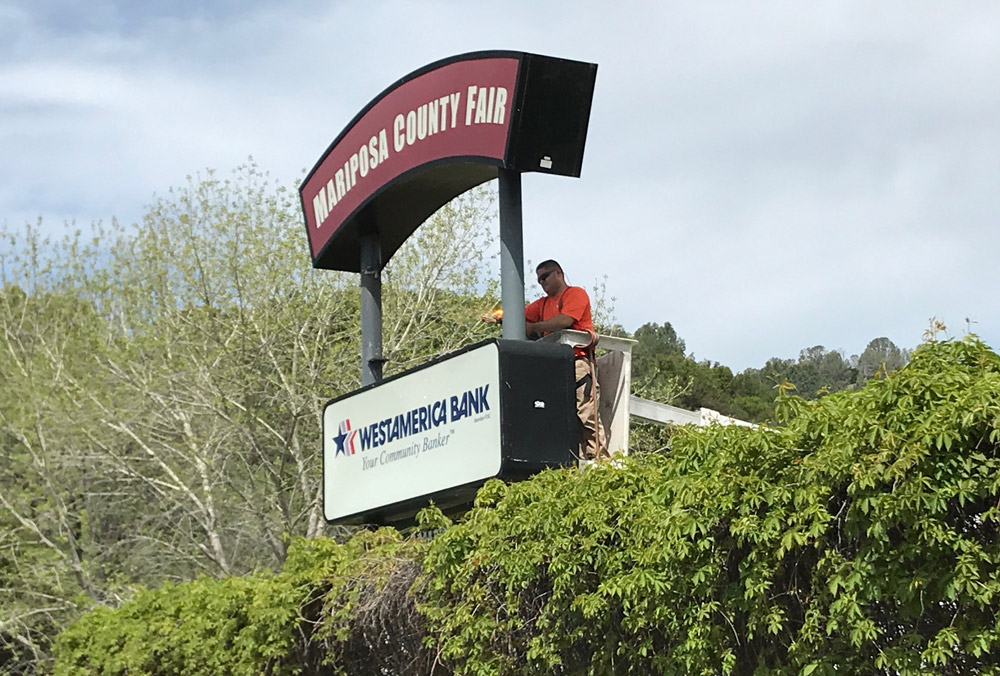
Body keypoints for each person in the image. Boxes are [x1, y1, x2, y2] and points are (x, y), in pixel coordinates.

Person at [524, 260, 608, 462]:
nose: (542, 282)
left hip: (577, 362)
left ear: (559, 273)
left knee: (586, 412)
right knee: (559, 414)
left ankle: (598, 459)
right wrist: (502, 316)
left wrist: (534, 328)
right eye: (538, 280)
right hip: (553, 368)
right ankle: (571, 459)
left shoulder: (575, 294)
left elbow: (565, 321)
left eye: (545, 277)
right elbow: (520, 314)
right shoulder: (542, 304)